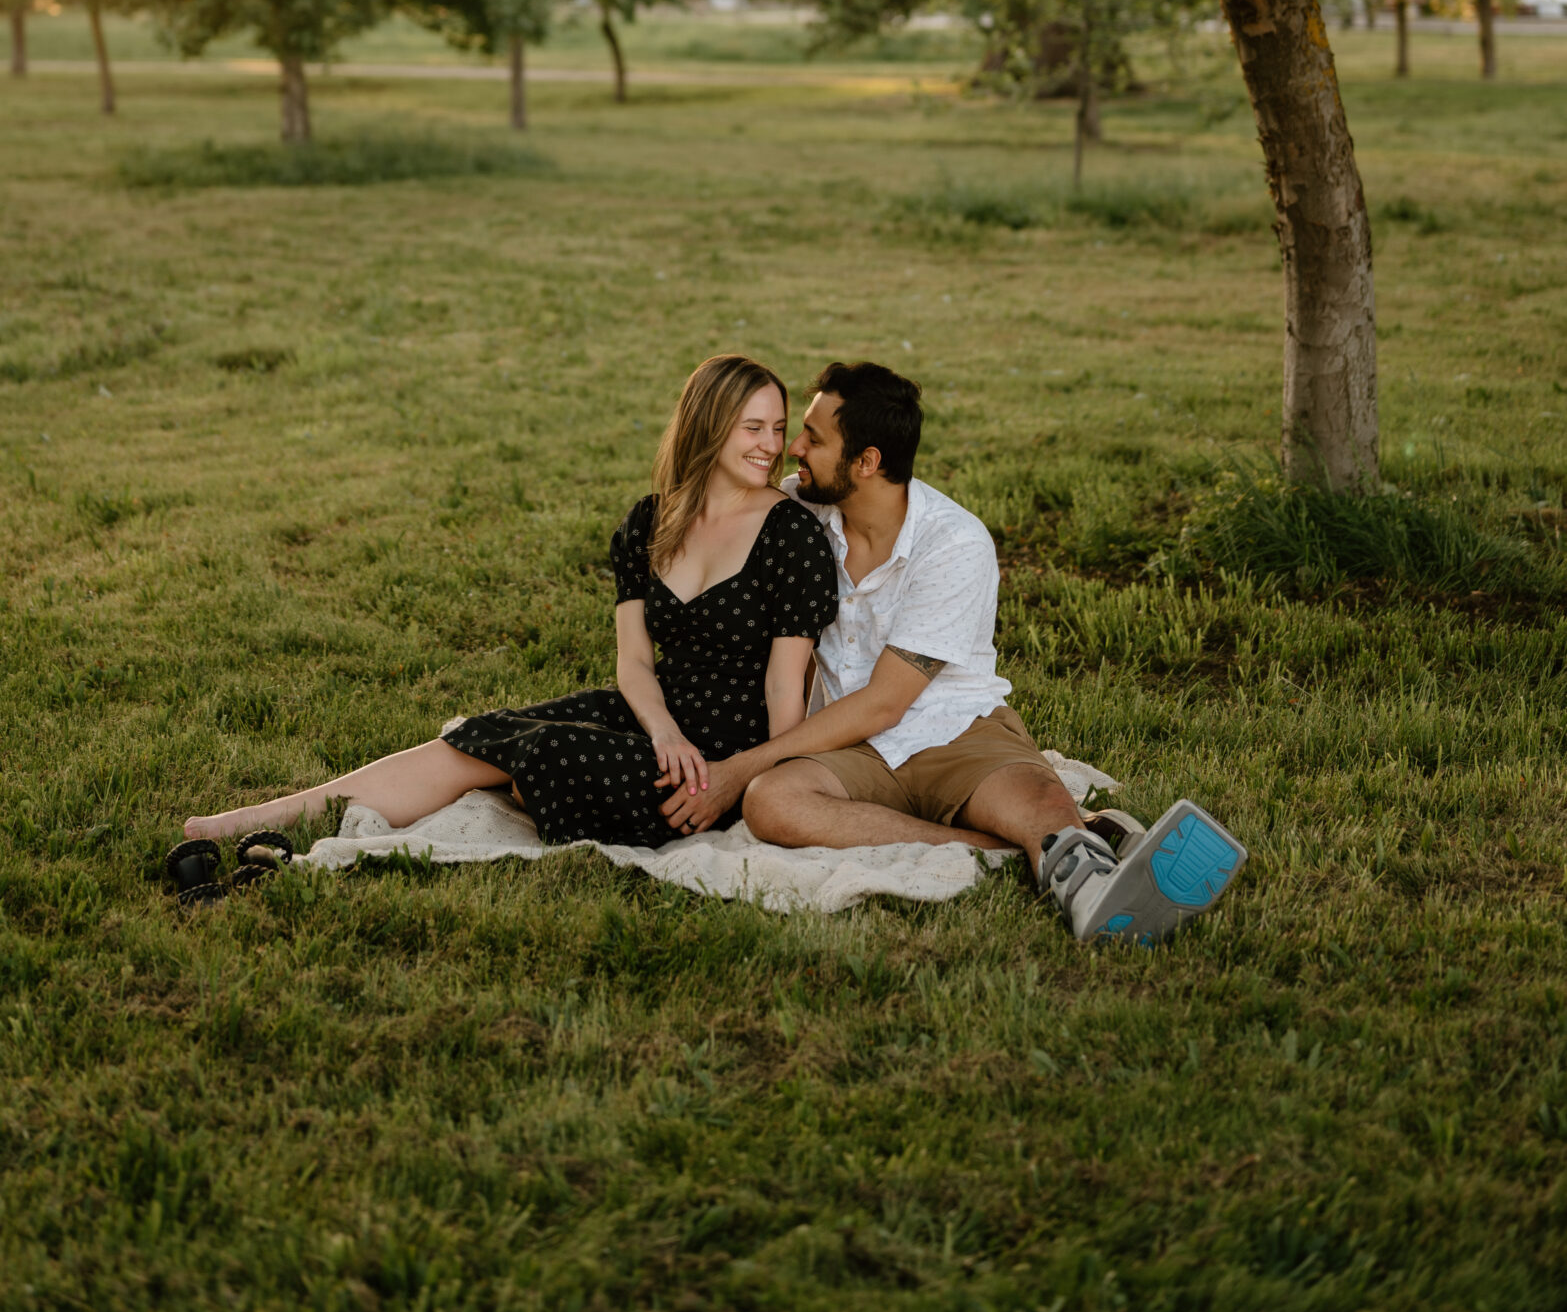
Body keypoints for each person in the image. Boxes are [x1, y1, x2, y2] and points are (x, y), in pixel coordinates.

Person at [656, 362, 1246, 947]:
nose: (795, 450)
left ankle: (1087, 884)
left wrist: (741, 766)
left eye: (814, 438)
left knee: (1038, 800)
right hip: (844, 745)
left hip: (954, 731)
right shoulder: (797, 512)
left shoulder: (954, 543)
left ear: (866, 463)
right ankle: (1016, 850)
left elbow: (887, 705)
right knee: (773, 804)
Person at [182, 353, 837, 852]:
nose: (770, 445)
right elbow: (635, 663)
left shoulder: (791, 536)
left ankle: (553, 782)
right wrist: (661, 728)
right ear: (707, 428)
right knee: (486, 732)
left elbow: (786, 688)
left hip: (724, 753)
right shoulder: (650, 521)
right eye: (752, 427)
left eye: (777, 428)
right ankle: (252, 818)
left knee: (544, 756)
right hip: (655, 715)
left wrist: (755, 789)